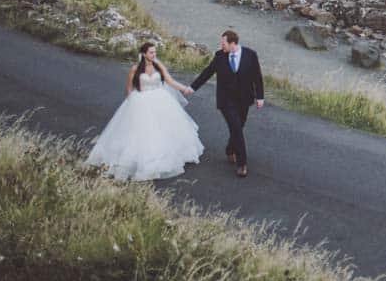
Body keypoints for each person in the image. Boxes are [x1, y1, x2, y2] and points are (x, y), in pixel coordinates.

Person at [87, 42, 203, 181]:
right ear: (144, 54)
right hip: (141, 101)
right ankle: (143, 161)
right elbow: (129, 88)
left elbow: (170, 80)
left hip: (160, 99)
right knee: (143, 132)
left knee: (164, 129)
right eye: (151, 52)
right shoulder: (135, 69)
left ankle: (168, 156)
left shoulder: (158, 66)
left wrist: (185, 89)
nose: (154, 55)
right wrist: (130, 105)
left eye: (155, 52)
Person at [187, 29, 264, 178]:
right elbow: (207, 72)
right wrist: (193, 87)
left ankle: (230, 149)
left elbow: (257, 77)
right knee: (236, 128)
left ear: (233, 43)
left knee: (239, 126)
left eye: (223, 44)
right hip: (226, 101)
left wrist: (260, 97)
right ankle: (242, 164)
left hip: (244, 99)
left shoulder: (250, 55)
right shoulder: (220, 56)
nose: (221, 46)